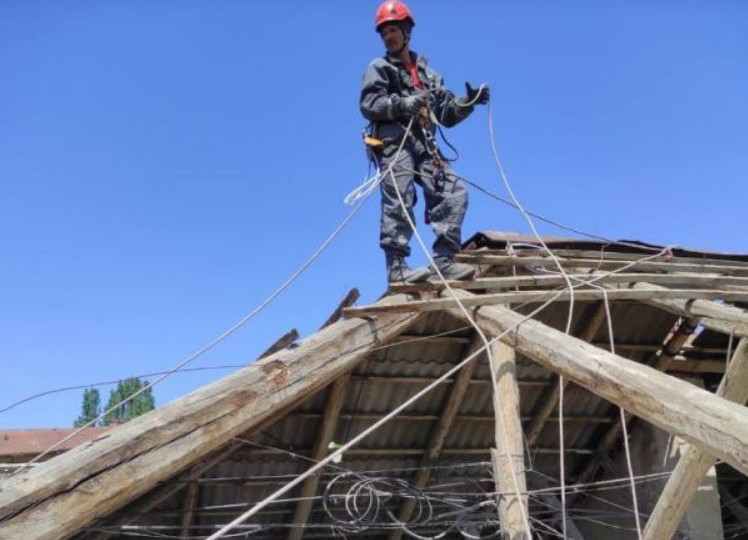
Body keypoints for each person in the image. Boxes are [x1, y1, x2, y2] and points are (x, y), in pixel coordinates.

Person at [360, 1, 490, 283]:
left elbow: (445, 114)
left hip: (424, 142)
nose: (389, 37)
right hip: (395, 140)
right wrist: (403, 104)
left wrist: (469, 102)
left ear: (407, 31)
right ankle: (397, 268)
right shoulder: (380, 67)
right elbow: (370, 103)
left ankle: (444, 259)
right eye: (384, 33)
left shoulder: (429, 76)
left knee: (454, 191)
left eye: (393, 30)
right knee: (399, 197)